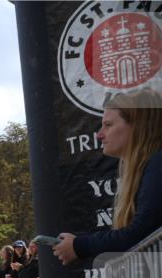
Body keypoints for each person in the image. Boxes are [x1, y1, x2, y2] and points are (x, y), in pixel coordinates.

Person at [54, 89, 162, 264]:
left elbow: (140, 233)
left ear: (138, 125)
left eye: (108, 125)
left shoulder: (158, 163)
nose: (99, 134)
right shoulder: (151, 165)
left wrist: (79, 245)